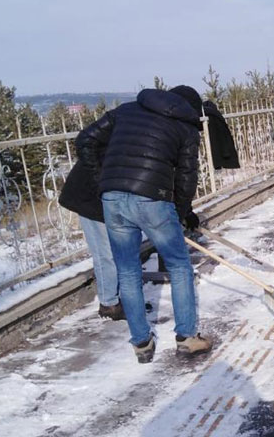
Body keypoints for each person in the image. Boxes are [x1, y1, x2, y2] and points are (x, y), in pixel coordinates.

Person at [80, 85, 212, 364]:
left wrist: (102, 181)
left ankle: (141, 342)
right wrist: (179, 212)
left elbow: (85, 139)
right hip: (153, 200)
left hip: (112, 199)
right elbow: (187, 178)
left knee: (128, 271)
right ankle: (187, 337)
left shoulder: (126, 110)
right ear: (188, 107)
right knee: (179, 266)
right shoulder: (185, 127)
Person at [58, 133, 123, 321]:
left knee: (118, 250)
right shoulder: (125, 145)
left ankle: (121, 298)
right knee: (106, 253)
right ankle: (109, 304)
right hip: (90, 197)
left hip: (108, 193)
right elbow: (84, 141)